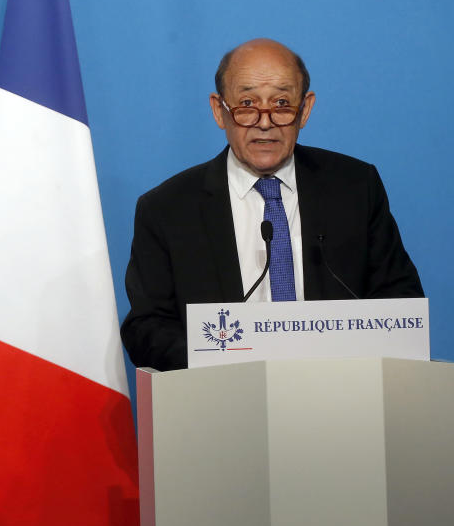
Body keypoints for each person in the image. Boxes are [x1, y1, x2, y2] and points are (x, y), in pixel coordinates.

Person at [121, 38, 423, 371]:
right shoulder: (167, 209)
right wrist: (221, 358)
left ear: (304, 110)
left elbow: (399, 301)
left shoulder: (354, 188)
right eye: (247, 103)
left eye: (281, 103)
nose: (265, 122)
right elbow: (146, 327)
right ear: (219, 110)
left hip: (341, 396)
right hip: (222, 403)